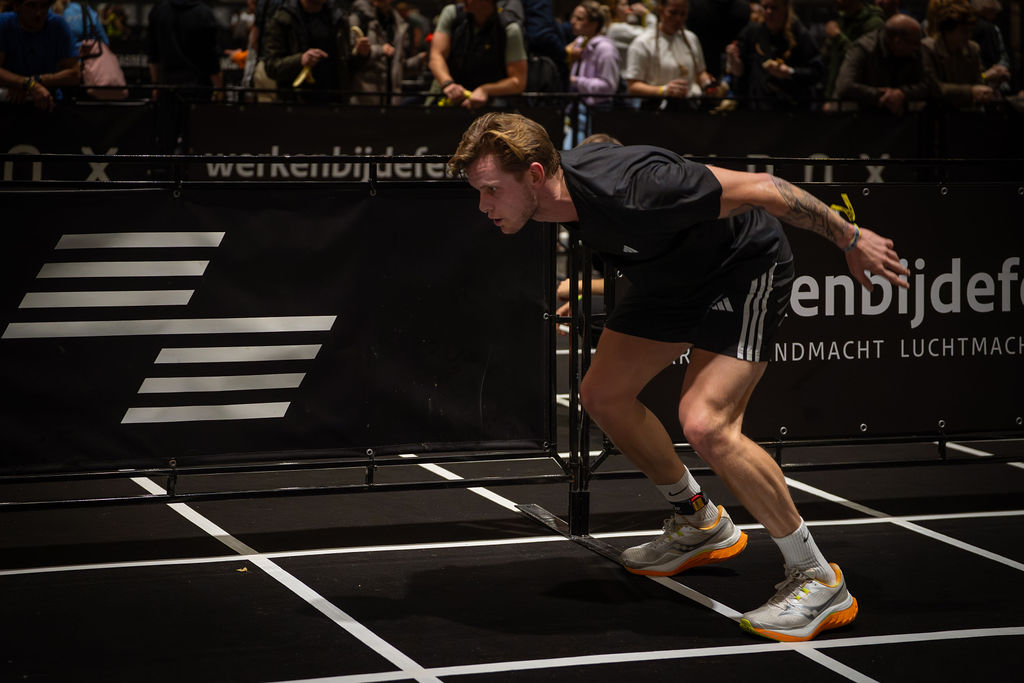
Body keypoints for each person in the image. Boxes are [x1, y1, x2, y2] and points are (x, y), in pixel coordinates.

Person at [449, 111, 910, 642]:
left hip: (742, 267)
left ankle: (818, 578)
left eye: (489, 191)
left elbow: (764, 187)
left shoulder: (637, 186)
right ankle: (698, 522)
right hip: (672, 283)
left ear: (534, 175)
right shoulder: (561, 199)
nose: (483, 206)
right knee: (603, 394)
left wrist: (851, 238)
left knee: (707, 423)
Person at [262, 0, 371, 103]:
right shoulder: (283, 19)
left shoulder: (338, 17)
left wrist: (361, 54)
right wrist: (300, 60)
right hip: (296, 105)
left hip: (335, 103)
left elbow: (347, 67)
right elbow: (271, 66)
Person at [724, 0, 824, 109]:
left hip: (790, 110)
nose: (768, 12)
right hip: (756, 109)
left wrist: (790, 72)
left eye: (774, 8)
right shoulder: (752, 31)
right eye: (765, 7)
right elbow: (739, 73)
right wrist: (734, 61)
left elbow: (817, 72)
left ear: (785, 8)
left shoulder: (800, 34)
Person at [427, 0, 528, 109]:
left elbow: (518, 82)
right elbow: (436, 56)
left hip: (491, 105)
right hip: (447, 96)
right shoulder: (452, 13)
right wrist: (448, 84)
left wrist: (485, 90)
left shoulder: (509, 28)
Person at [623, 0, 720, 106]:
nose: (678, 19)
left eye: (683, 14)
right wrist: (663, 90)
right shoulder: (643, 43)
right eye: (673, 13)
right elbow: (633, 86)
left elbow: (700, 72)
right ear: (660, 10)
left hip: (690, 106)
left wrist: (707, 83)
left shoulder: (691, 38)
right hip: (656, 109)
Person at [834, 13, 932, 114]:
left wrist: (902, 93)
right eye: (915, 43)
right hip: (862, 115)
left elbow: (929, 84)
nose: (918, 48)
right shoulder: (863, 48)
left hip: (900, 115)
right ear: (897, 42)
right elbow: (845, 86)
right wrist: (881, 95)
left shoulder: (915, 49)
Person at [922, 0, 1007, 108]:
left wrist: (992, 86)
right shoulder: (928, 48)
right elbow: (933, 88)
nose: (968, 36)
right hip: (938, 113)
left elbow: (979, 80)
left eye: (970, 31)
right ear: (948, 30)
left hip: (968, 113)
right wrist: (970, 91)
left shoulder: (972, 49)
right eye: (964, 31)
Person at [0, 0, 80, 111]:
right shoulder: (4, 23)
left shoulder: (57, 25)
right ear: (16, 6)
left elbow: (74, 74)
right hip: (10, 103)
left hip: (49, 104)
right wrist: (27, 84)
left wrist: (35, 82)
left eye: (44, 6)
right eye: (31, 5)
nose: (38, 13)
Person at [565, 1, 620, 145]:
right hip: (578, 110)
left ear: (594, 24)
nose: (572, 22)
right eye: (573, 17)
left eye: (579, 19)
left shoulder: (605, 49)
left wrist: (576, 81)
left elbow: (608, 86)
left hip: (597, 114)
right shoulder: (580, 41)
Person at [349, 0, 425, 104]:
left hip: (391, 101)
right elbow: (348, 60)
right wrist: (378, 50)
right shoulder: (358, 17)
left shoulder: (397, 22)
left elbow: (398, 67)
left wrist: (419, 61)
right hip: (365, 100)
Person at [821, 0, 885, 104]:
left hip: (858, 100)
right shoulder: (842, 20)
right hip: (834, 95)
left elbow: (865, 61)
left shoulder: (873, 23)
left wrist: (838, 37)